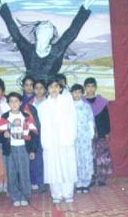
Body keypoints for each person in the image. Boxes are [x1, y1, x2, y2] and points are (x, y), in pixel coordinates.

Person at [0, 0, 99, 81]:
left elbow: (72, 31)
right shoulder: (28, 49)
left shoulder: (57, 49)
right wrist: (3, 5)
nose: (46, 30)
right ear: (36, 33)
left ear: (51, 35)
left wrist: (85, 6)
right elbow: (15, 32)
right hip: (32, 96)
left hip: (53, 95)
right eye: (43, 28)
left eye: (49, 29)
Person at [38, 76, 77, 204]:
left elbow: (73, 120)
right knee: (53, 167)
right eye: (50, 87)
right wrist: (45, 142)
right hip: (51, 141)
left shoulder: (67, 101)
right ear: (47, 89)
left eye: (56, 86)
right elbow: (43, 126)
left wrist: (71, 137)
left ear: (60, 88)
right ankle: (56, 194)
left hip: (65, 138)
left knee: (67, 166)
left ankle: (68, 193)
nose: (53, 89)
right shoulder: (43, 106)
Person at [0, 92, 38, 207]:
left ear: (20, 103)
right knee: (11, 172)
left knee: (24, 172)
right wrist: (3, 134)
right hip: (9, 149)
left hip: (24, 147)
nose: (14, 104)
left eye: (16, 101)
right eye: (11, 101)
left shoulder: (26, 116)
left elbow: (34, 133)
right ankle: (15, 195)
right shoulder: (5, 117)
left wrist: (32, 150)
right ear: (8, 103)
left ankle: (25, 195)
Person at [83, 77, 113, 186]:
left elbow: (106, 118)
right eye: (88, 86)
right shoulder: (82, 102)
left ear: (95, 88)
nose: (90, 89)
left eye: (92, 86)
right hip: (86, 134)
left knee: (102, 156)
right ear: (85, 88)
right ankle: (90, 178)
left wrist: (107, 132)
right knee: (89, 156)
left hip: (100, 132)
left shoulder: (102, 102)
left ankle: (101, 178)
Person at [70, 84, 94, 193]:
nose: (77, 94)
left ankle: (86, 182)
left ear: (82, 93)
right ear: (71, 93)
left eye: (79, 92)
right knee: (76, 159)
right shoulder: (68, 107)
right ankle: (78, 183)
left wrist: (91, 135)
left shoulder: (86, 106)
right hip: (73, 138)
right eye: (75, 92)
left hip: (85, 137)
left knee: (86, 159)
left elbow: (90, 121)